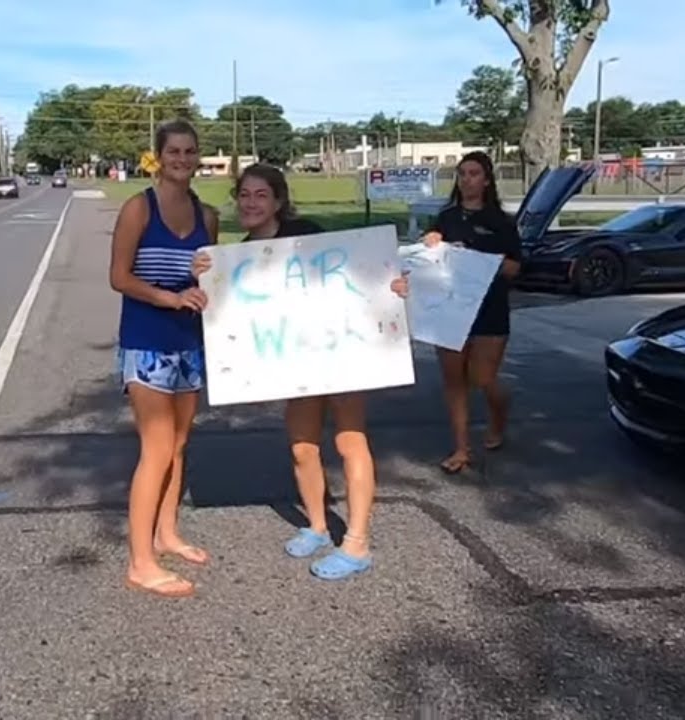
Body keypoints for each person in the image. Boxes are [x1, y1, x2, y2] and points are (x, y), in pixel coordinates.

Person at [192, 163, 395, 581]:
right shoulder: (238, 257)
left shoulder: (307, 232)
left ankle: (357, 543)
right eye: (244, 194)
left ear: (279, 201)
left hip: (341, 351)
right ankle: (318, 526)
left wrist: (392, 284)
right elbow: (229, 318)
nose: (250, 203)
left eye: (260, 195)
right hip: (295, 362)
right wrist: (204, 284)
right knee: (302, 446)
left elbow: (361, 271)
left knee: (350, 441)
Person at [109, 119, 220, 598]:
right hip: (146, 341)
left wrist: (206, 275)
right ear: (159, 156)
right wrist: (169, 298)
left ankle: (166, 533)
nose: (182, 159)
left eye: (190, 151)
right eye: (173, 151)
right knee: (155, 449)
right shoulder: (139, 208)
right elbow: (119, 277)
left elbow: (213, 282)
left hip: (189, 343)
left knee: (178, 445)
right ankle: (141, 563)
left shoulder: (206, 215)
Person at [390, 150, 522, 474]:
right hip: (449, 310)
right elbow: (428, 254)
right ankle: (462, 448)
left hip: (489, 311)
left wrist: (478, 260)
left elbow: (514, 268)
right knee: (454, 381)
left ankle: (499, 413)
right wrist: (432, 240)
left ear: (487, 180)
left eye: (474, 174)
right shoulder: (447, 218)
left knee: (482, 378)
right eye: (462, 174)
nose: (466, 180)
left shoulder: (502, 222)